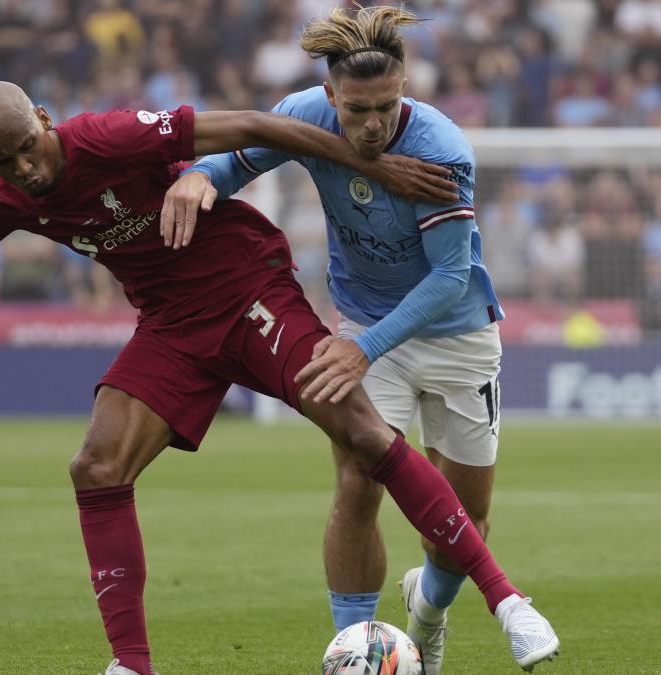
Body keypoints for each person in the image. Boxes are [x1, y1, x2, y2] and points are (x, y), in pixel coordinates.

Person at [0, 80, 559, 674]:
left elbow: (257, 127)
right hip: (171, 328)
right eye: (3, 160)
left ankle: (506, 601)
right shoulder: (6, 200)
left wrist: (372, 168)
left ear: (44, 122)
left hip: (246, 289)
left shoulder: (107, 136)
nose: (27, 169)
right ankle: (130, 663)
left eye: (29, 146)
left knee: (361, 434)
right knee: (96, 465)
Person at [161, 6, 558, 673]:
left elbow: (449, 276)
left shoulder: (441, 147)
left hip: (457, 333)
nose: (371, 124)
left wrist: (361, 348)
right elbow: (236, 161)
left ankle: (425, 614)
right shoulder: (304, 113)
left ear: (404, 84)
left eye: (385, 106)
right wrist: (199, 175)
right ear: (329, 97)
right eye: (356, 110)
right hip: (366, 327)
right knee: (356, 482)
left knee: (464, 520)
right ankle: (353, 650)